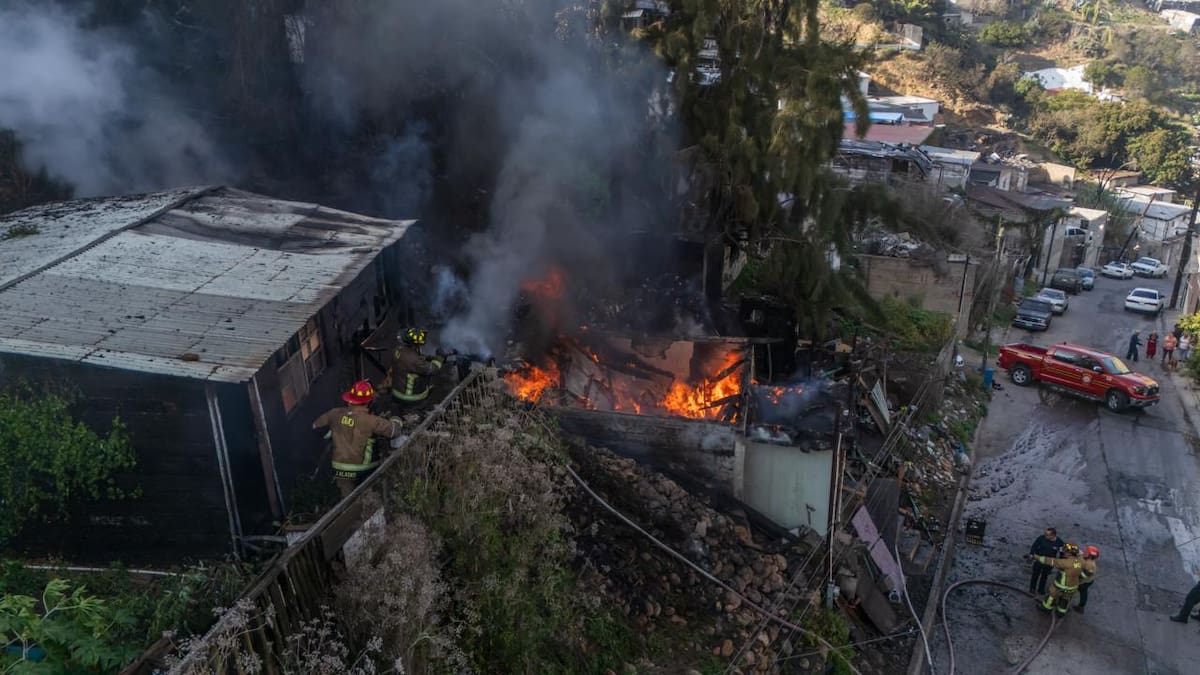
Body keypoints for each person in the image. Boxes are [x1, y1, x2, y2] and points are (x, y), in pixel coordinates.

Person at [312, 380, 402, 498]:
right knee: (370, 493)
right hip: (364, 468)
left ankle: (348, 506)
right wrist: (396, 417)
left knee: (347, 500)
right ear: (369, 401)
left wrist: (334, 432)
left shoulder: (334, 414)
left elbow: (316, 427)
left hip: (340, 468)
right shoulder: (371, 421)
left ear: (350, 398)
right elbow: (394, 431)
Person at [389, 328, 445, 406]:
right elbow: (433, 369)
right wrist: (439, 358)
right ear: (414, 345)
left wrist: (428, 358)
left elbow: (412, 359)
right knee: (433, 380)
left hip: (396, 392)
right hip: (411, 399)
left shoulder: (398, 350)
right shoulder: (414, 360)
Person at [1035, 542, 1084, 616]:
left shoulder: (1065, 562)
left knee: (1051, 596)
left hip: (1061, 585)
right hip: (1073, 586)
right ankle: (1061, 612)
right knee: (1065, 599)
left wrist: (1035, 557)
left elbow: (1050, 561)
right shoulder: (1080, 561)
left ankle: (1046, 608)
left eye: (1064, 552)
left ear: (1068, 553)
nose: (1063, 553)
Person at [1028, 527, 1064, 595]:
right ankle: (1032, 588)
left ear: (1053, 535)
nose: (1045, 535)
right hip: (1039, 560)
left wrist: (1060, 563)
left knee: (1044, 576)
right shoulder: (1041, 538)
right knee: (1035, 574)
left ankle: (1041, 589)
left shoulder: (1059, 543)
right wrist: (1031, 554)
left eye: (1047, 535)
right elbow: (1034, 546)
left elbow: (1062, 553)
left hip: (1049, 563)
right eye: (1045, 533)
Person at [1074, 545, 1099, 613]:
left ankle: (1081, 607)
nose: (1085, 552)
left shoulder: (1091, 565)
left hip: (1085, 582)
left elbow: (1085, 575)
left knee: (1083, 592)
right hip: (1081, 577)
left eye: (1087, 552)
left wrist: (1076, 576)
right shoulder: (1084, 556)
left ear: (1090, 556)